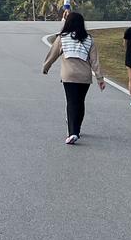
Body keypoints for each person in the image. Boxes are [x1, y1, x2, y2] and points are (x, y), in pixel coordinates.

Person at [41, 11, 105, 145]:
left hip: (69, 75)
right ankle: (77, 129)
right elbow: (95, 61)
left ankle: (73, 133)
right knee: (79, 102)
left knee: (71, 103)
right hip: (84, 77)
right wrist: (100, 79)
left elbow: (53, 54)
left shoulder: (63, 37)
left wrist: (46, 67)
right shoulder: (89, 39)